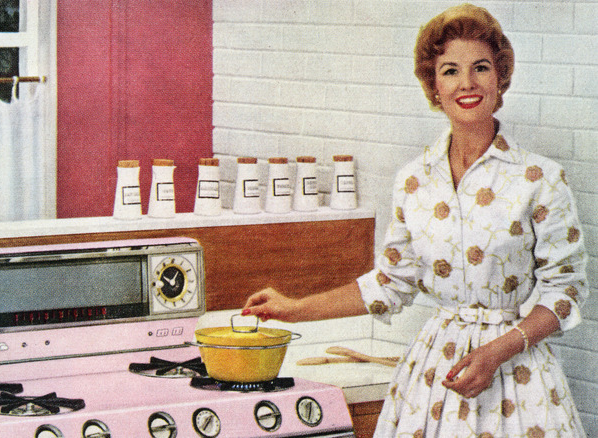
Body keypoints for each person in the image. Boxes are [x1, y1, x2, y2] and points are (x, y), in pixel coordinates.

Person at [242, 4, 589, 437]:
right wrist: (294, 309)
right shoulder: (414, 180)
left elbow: (567, 290)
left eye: (480, 68)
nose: (466, 83)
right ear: (433, 86)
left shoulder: (539, 178)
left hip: (517, 378)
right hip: (435, 376)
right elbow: (390, 283)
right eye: (450, 71)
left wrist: (498, 350)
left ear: (500, 78)